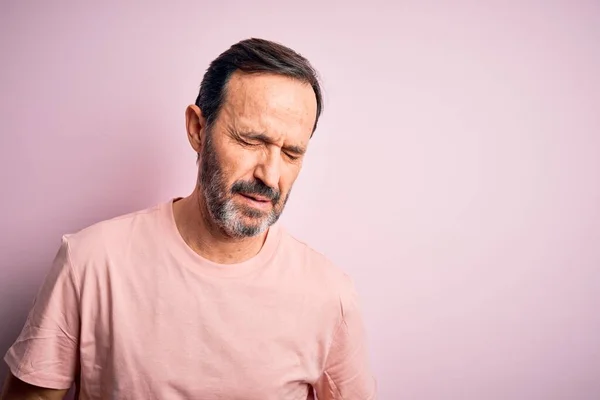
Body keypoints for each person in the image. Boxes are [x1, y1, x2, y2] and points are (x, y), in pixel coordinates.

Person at [1, 38, 377, 400]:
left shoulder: (330, 296)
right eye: (250, 140)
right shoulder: (90, 262)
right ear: (198, 129)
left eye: (291, 153)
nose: (270, 175)